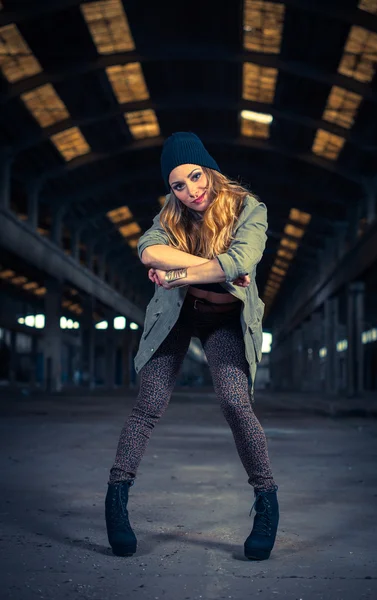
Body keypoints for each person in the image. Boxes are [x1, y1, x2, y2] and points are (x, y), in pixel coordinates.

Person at [105, 132, 279, 561]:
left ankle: (267, 500)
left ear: (210, 170)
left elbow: (241, 262)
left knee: (236, 404)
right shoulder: (170, 216)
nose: (191, 191)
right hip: (179, 315)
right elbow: (148, 252)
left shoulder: (248, 209)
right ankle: (116, 497)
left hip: (224, 321)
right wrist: (210, 270)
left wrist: (176, 272)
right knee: (149, 403)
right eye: (179, 185)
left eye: (196, 177)